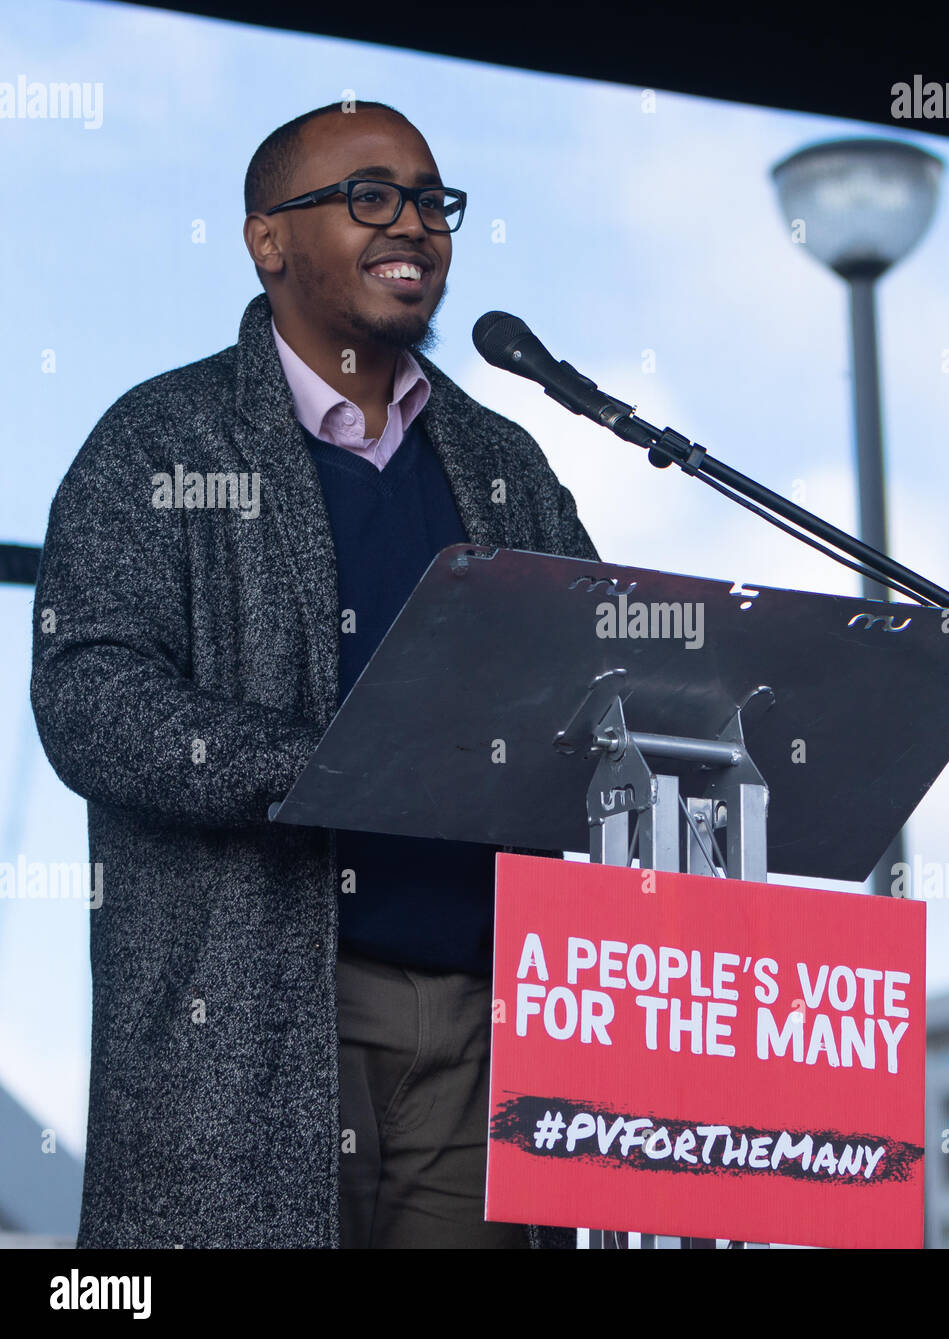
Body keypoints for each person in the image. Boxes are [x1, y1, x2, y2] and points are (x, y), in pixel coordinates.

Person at [30, 99, 598, 1248]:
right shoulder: (159, 441)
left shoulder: (503, 461)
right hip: (258, 1013)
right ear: (267, 239)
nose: (417, 227)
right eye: (371, 196)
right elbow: (87, 693)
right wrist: (328, 765)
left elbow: (593, 681)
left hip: (493, 1018)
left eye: (432, 201)